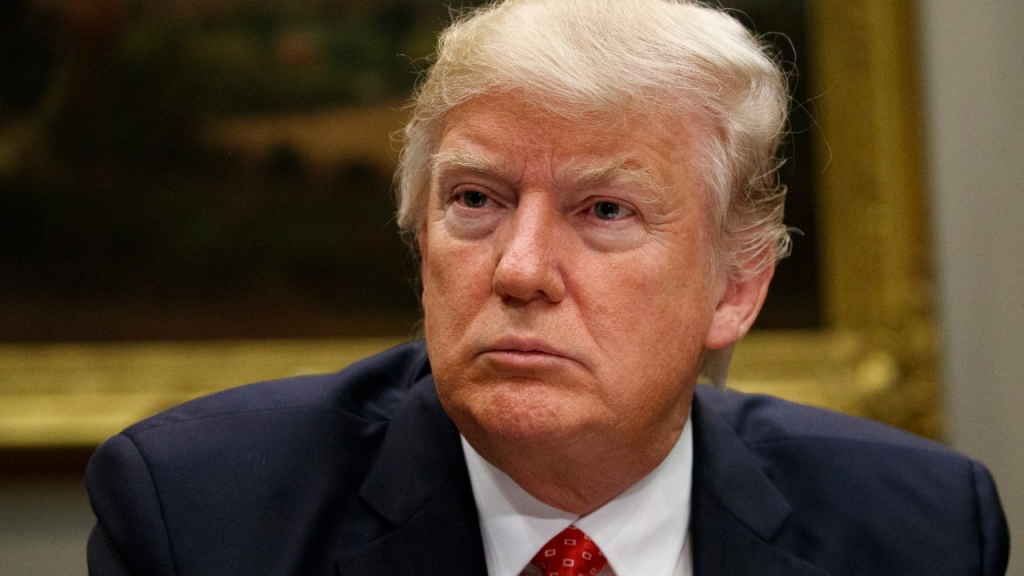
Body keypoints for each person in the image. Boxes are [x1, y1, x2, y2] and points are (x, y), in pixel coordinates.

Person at [85, 1, 1009, 575]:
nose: (519, 270)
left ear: (737, 286)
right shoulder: (197, 517)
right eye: (476, 200)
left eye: (605, 211)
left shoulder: (920, 532)